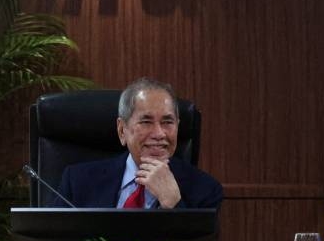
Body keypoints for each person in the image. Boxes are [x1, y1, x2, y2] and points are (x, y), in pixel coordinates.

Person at [55, 78, 223, 209]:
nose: (159, 134)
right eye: (146, 122)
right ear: (122, 130)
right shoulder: (77, 182)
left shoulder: (205, 190)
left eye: (167, 122)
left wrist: (173, 205)